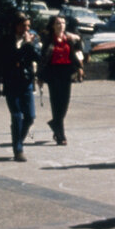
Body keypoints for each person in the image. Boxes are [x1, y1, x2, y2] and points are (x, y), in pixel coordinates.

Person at [0, 13, 42, 162]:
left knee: (30, 117)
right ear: (16, 25)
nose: (27, 29)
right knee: (16, 116)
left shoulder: (32, 40)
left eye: (28, 25)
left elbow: (38, 57)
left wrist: (29, 45)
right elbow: (0, 63)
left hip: (26, 82)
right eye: (23, 25)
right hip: (11, 82)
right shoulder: (6, 41)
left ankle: (18, 141)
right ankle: (18, 150)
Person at [40, 15, 84, 146]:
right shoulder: (48, 40)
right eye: (58, 23)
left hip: (66, 73)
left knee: (64, 104)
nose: (61, 25)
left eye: (63, 23)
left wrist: (80, 67)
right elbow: (43, 59)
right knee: (56, 103)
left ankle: (55, 124)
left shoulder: (68, 39)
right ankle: (60, 135)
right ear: (53, 25)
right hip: (53, 73)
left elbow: (74, 54)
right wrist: (40, 76)